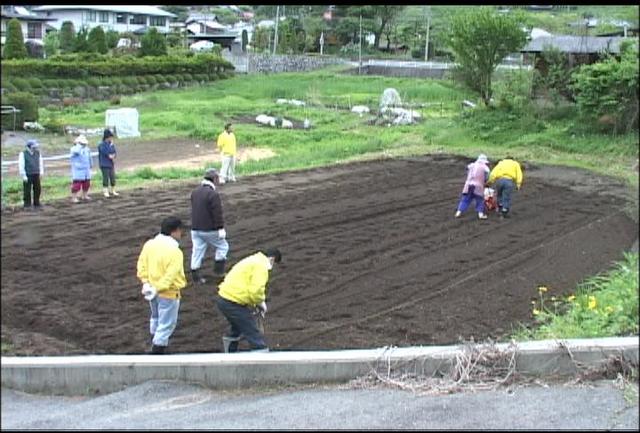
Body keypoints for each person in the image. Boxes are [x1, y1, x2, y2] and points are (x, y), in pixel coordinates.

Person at [136, 216, 187, 354]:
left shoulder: (149, 245)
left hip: (151, 291)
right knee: (166, 324)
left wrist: (146, 283)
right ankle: (157, 351)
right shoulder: (175, 251)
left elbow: (142, 265)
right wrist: (157, 288)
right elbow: (170, 275)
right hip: (168, 293)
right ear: (174, 231)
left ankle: (154, 341)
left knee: (156, 317)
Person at [216, 248, 282, 353]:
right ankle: (260, 353)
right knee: (252, 331)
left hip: (225, 298)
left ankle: (230, 352)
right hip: (232, 301)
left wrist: (256, 303)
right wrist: (261, 303)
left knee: (237, 327)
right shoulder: (261, 266)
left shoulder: (253, 260)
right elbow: (255, 291)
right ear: (272, 259)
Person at [190, 168, 229, 284]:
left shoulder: (195, 192)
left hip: (195, 228)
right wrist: (220, 228)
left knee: (197, 251)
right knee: (223, 246)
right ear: (214, 179)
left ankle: (196, 275)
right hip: (209, 229)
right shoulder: (213, 194)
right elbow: (217, 213)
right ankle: (218, 271)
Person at [455, 154, 491, 220]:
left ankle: (458, 212)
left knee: (465, 199)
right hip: (478, 186)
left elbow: (468, 172)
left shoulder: (471, 165)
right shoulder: (485, 168)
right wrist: (485, 182)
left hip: (468, 185)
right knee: (480, 200)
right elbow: (487, 177)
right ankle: (480, 214)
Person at [18, 139, 45, 210]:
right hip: (28, 174)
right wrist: (23, 175)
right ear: (29, 146)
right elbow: (21, 165)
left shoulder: (38, 153)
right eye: (34, 146)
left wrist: (41, 172)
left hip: (36, 173)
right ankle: (27, 204)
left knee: (38, 189)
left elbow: (40, 163)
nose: (35, 148)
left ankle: (37, 203)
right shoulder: (23, 154)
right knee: (27, 190)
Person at [69, 134, 93, 203]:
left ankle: (84, 195)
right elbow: (76, 152)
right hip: (78, 170)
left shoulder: (87, 149)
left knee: (87, 184)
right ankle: (74, 197)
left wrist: (91, 164)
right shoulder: (74, 149)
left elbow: (89, 157)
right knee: (77, 185)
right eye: (82, 143)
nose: (84, 144)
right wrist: (78, 145)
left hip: (86, 169)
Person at [98, 128, 119, 198]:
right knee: (106, 177)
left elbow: (114, 152)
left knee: (112, 177)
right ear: (107, 137)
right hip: (104, 164)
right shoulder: (101, 144)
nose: (111, 138)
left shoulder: (111, 144)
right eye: (110, 137)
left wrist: (113, 155)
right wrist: (110, 154)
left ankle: (113, 190)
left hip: (110, 163)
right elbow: (106, 152)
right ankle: (105, 191)